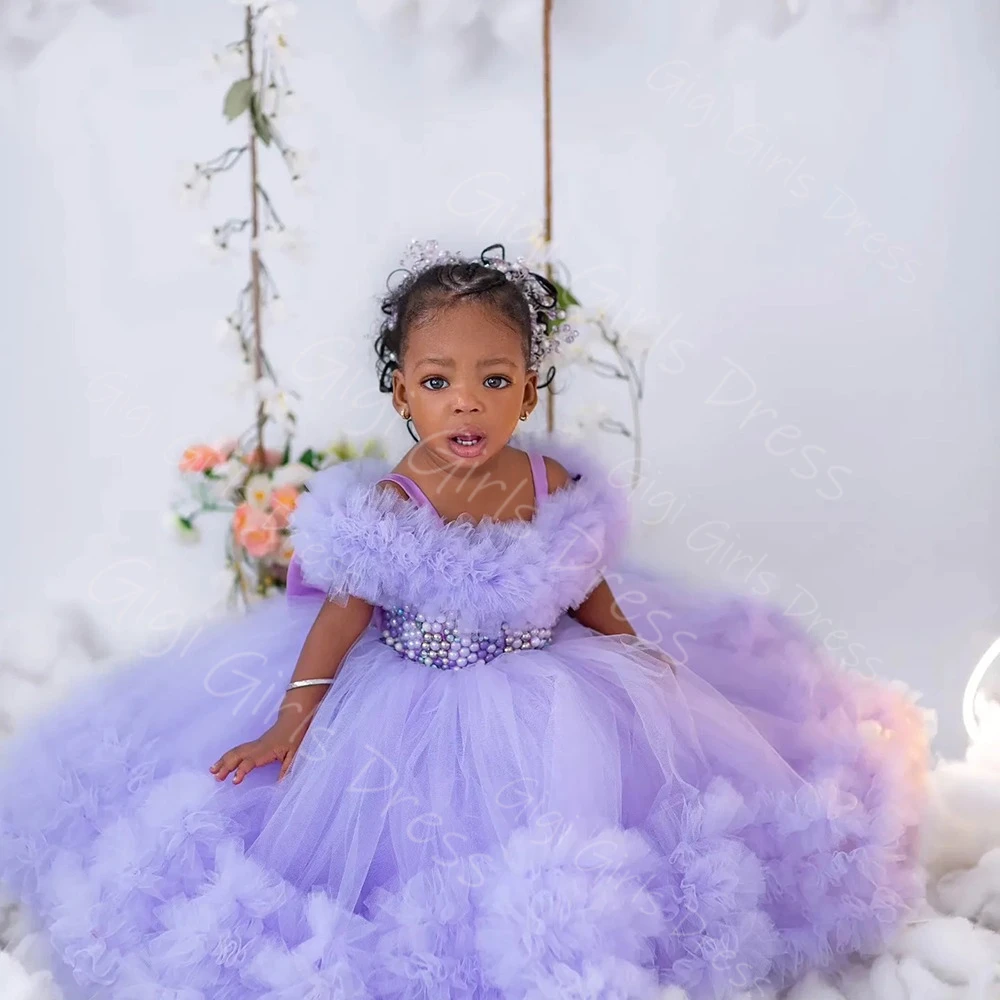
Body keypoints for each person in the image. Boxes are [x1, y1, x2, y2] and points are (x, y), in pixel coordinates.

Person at [0, 240, 930, 1000]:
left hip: (550, 684)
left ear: (529, 392)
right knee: (381, 847)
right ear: (401, 392)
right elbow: (339, 618)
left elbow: (582, 586)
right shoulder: (396, 504)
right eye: (439, 382)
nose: (467, 403)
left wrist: (638, 660)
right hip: (406, 699)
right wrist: (294, 717)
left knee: (607, 815)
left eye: (493, 380)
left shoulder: (550, 484)